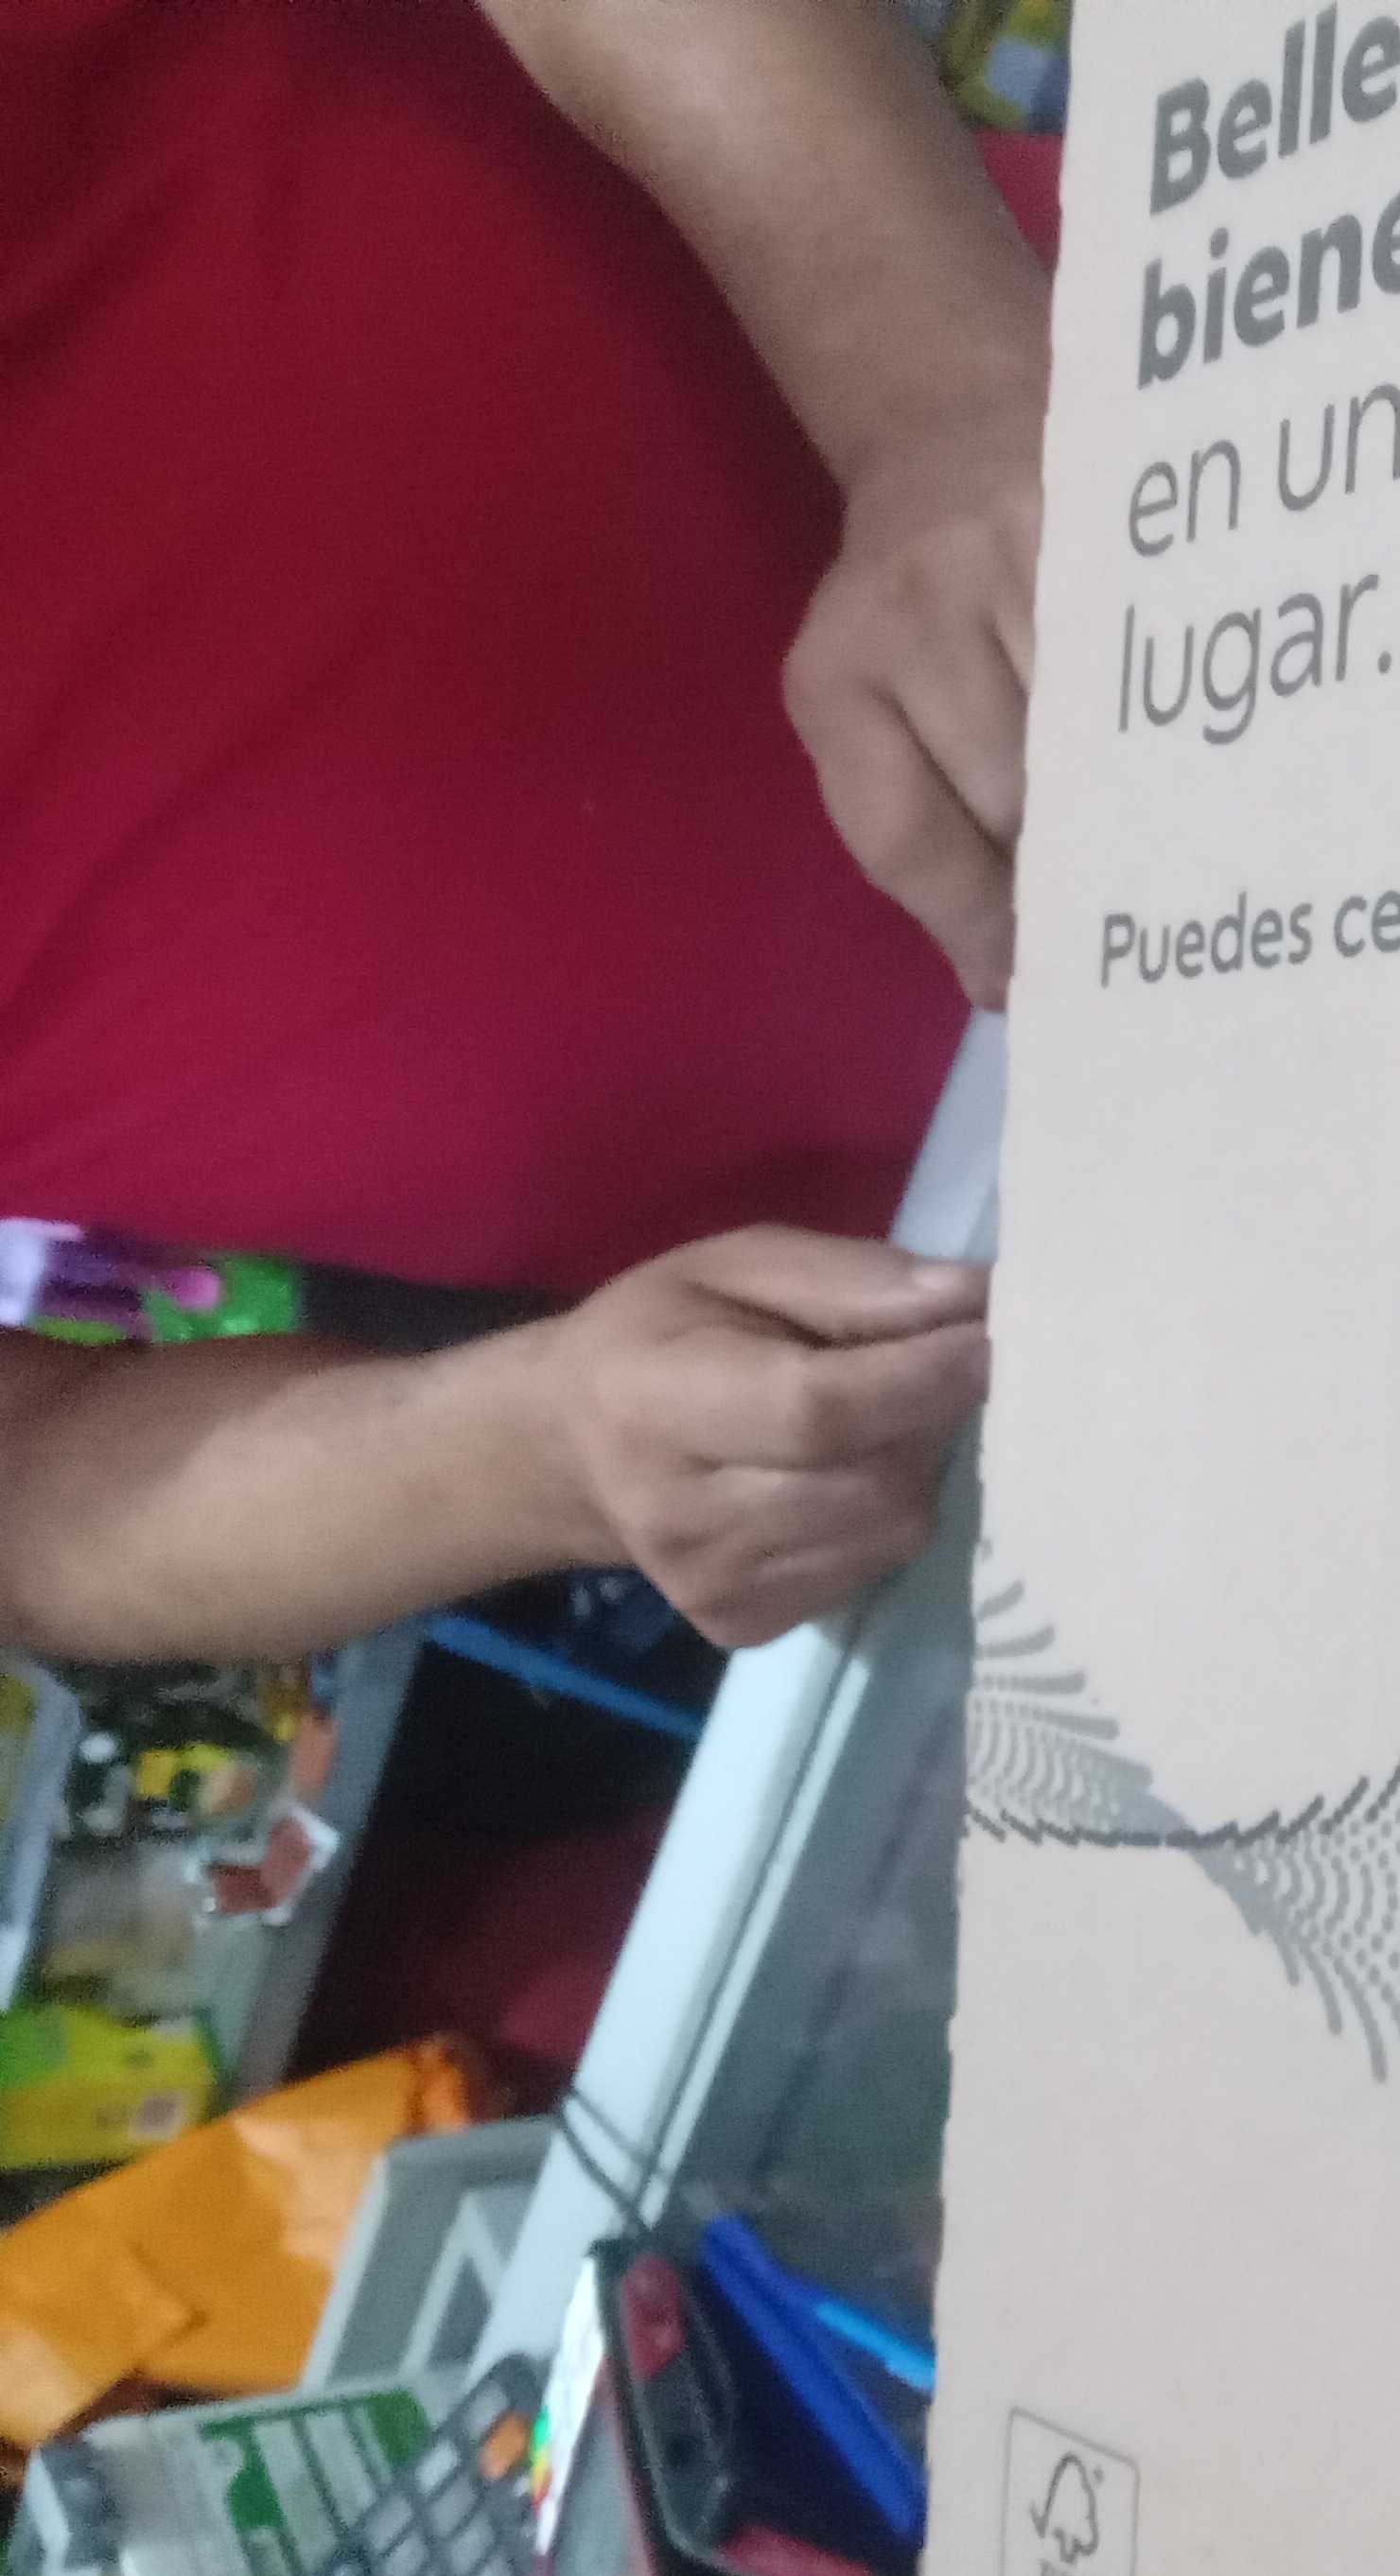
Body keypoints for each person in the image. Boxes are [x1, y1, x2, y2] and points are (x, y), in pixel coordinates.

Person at [0, 0, 1057, 1658]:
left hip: (1206, 492)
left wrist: (942, 397)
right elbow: (27, 1498)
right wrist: (544, 1444)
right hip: (1013, 1299)